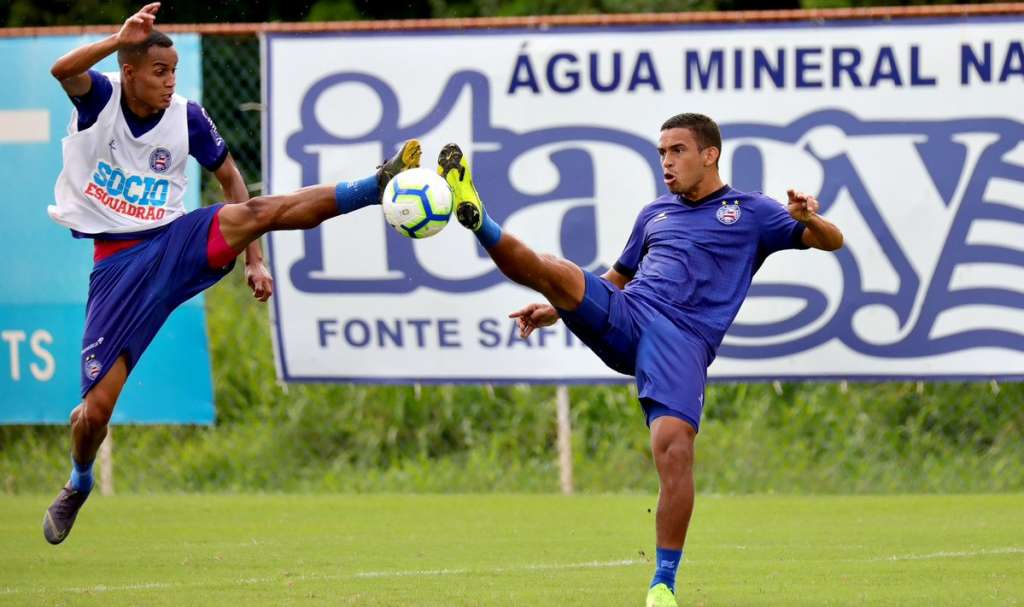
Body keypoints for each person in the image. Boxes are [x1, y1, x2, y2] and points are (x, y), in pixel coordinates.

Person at [43, 2, 422, 545]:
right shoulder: (100, 97)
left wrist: (256, 259)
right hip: (117, 265)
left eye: (174, 71)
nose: (170, 82)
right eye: (158, 72)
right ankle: (79, 482)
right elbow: (62, 71)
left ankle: (375, 184)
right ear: (128, 72)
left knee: (260, 211)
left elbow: (230, 177)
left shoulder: (187, 118)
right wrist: (118, 37)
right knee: (93, 415)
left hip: (176, 241)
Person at [436, 113, 843, 607]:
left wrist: (808, 219)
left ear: (709, 154)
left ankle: (662, 586)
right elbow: (617, 277)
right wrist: (553, 311)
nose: (667, 163)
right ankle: (478, 217)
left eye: (677, 151)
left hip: (683, 340)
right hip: (630, 313)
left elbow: (831, 241)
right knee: (558, 272)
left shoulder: (752, 211)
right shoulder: (655, 214)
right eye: (662, 153)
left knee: (673, 449)